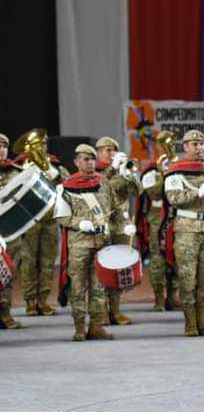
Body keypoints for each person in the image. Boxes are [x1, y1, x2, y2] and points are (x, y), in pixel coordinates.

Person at [54, 144, 134, 341]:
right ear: (76, 162)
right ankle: (80, 327)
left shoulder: (104, 183)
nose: (89, 162)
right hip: (79, 245)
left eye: (91, 159)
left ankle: (96, 326)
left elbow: (115, 209)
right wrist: (79, 223)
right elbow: (61, 217)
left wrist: (125, 224)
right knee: (78, 287)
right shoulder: (65, 187)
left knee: (99, 287)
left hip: (102, 243)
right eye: (84, 159)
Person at [163, 129, 204, 337]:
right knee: (188, 277)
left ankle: (203, 320)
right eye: (194, 144)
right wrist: (198, 192)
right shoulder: (176, 171)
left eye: (201, 144)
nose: (199, 148)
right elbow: (174, 197)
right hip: (187, 229)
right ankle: (190, 321)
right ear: (185, 147)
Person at [15, 135, 67, 316]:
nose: (42, 146)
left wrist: (52, 171)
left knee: (47, 263)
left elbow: (67, 184)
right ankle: (30, 302)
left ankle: (43, 301)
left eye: (44, 143)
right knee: (28, 263)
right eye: (37, 144)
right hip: (28, 221)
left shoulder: (54, 164)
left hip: (50, 220)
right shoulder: (20, 165)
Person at [94, 136, 140, 326]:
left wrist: (129, 174)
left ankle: (115, 310)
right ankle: (101, 311)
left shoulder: (122, 170)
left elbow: (138, 191)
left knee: (119, 268)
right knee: (102, 269)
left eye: (113, 150)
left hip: (121, 223)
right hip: (102, 223)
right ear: (98, 153)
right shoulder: (94, 171)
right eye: (107, 150)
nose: (111, 153)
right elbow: (102, 187)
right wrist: (113, 169)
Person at [139, 148, 179, 312]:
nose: (167, 151)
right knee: (158, 260)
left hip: (175, 218)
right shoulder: (150, 172)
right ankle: (158, 298)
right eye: (163, 147)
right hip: (157, 220)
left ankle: (171, 296)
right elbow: (154, 193)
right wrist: (163, 173)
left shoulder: (177, 168)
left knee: (176, 257)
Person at [0, 134, 24, 329]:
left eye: (4, 146)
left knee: (7, 272)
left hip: (11, 230)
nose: (2, 150)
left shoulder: (17, 172)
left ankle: (5, 314)